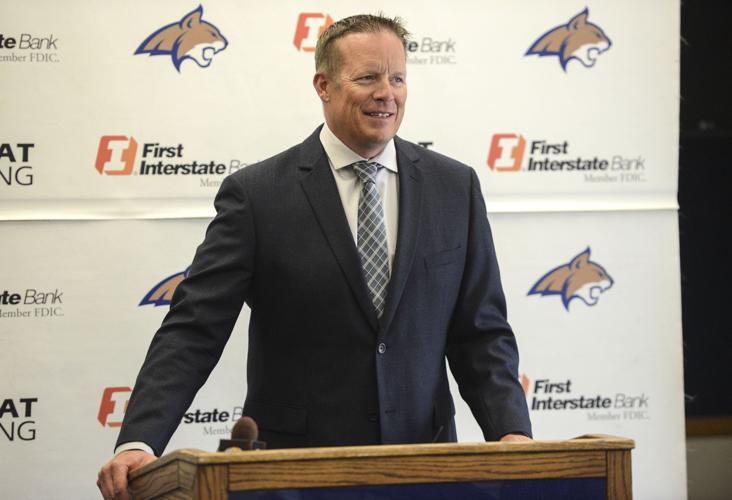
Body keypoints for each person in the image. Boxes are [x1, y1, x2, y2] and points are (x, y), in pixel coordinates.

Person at [97, 13, 531, 500]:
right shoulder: (257, 195)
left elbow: (481, 332)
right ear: (323, 85)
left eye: (397, 78)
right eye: (367, 77)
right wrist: (140, 440)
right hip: (293, 477)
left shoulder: (454, 187)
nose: (386, 93)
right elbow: (194, 329)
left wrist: (512, 433)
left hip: (423, 469)